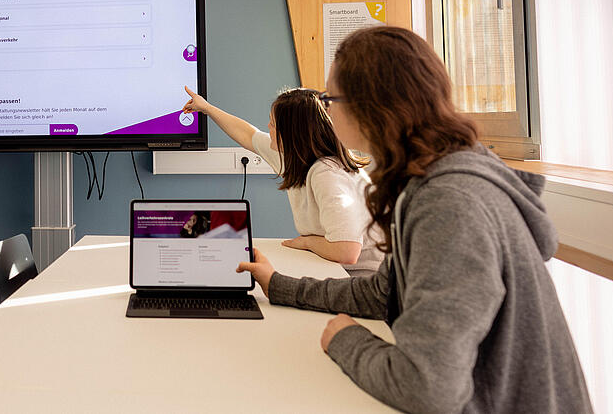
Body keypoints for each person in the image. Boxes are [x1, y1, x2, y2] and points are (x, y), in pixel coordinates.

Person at [236, 26, 592, 413]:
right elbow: (381, 293)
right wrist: (279, 286)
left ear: (368, 106)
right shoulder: (427, 179)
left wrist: (346, 339)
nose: (327, 109)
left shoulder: (449, 204)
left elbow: (427, 388)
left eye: (330, 98)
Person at [182, 86, 382, 274]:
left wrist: (307, 242)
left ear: (290, 134)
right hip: (335, 268)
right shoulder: (294, 157)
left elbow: (347, 251)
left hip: (366, 277)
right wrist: (206, 108)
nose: (267, 127)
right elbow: (247, 133)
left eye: (272, 123)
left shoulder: (326, 174)